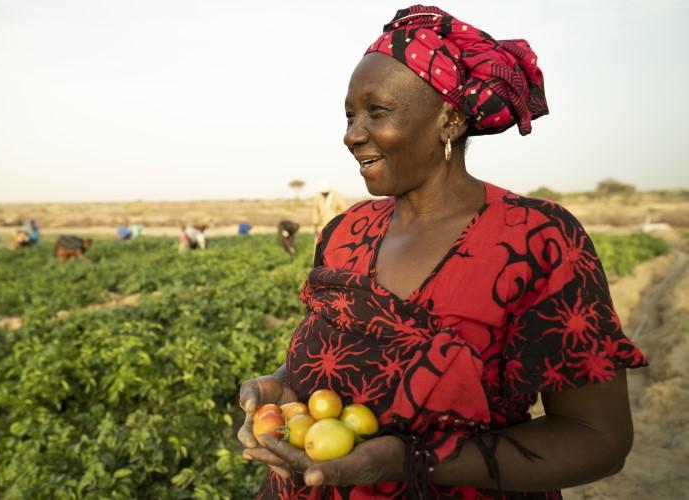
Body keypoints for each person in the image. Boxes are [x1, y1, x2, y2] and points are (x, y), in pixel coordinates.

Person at [238, 5, 646, 499]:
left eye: (376, 111)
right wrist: (282, 388)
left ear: (449, 120)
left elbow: (598, 438)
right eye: (349, 115)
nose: (351, 134)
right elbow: (334, 357)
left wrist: (419, 460)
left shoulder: (533, 239)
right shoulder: (343, 233)